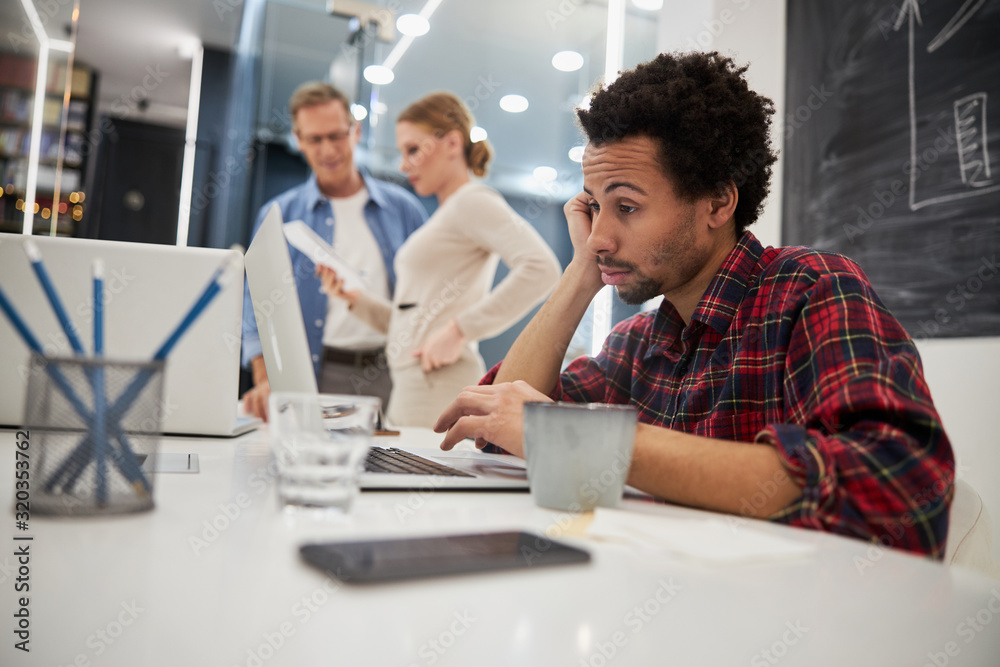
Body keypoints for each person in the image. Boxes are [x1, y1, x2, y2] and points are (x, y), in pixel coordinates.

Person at [433, 52, 955, 558]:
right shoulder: (641, 343)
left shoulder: (812, 290)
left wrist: (577, 440)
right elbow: (499, 430)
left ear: (718, 203)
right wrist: (579, 274)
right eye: (595, 206)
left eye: (627, 207)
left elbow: (901, 491)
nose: (599, 236)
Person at [319, 92, 561, 428]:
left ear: (451, 143)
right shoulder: (448, 214)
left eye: (413, 150)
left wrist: (461, 329)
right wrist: (354, 299)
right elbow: (413, 324)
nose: (404, 165)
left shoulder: (471, 201)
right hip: (414, 383)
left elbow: (542, 269)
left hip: (435, 384)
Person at [241, 82, 427, 420]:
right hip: (318, 372)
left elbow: (428, 294)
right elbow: (255, 302)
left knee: (394, 467)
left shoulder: (404, 209)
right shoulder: (278, 214)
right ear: (299, 140)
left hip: (394, 372)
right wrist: (265, 378)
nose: (328, 150)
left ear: (355, 132)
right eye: (315, 139)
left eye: (336, 136)